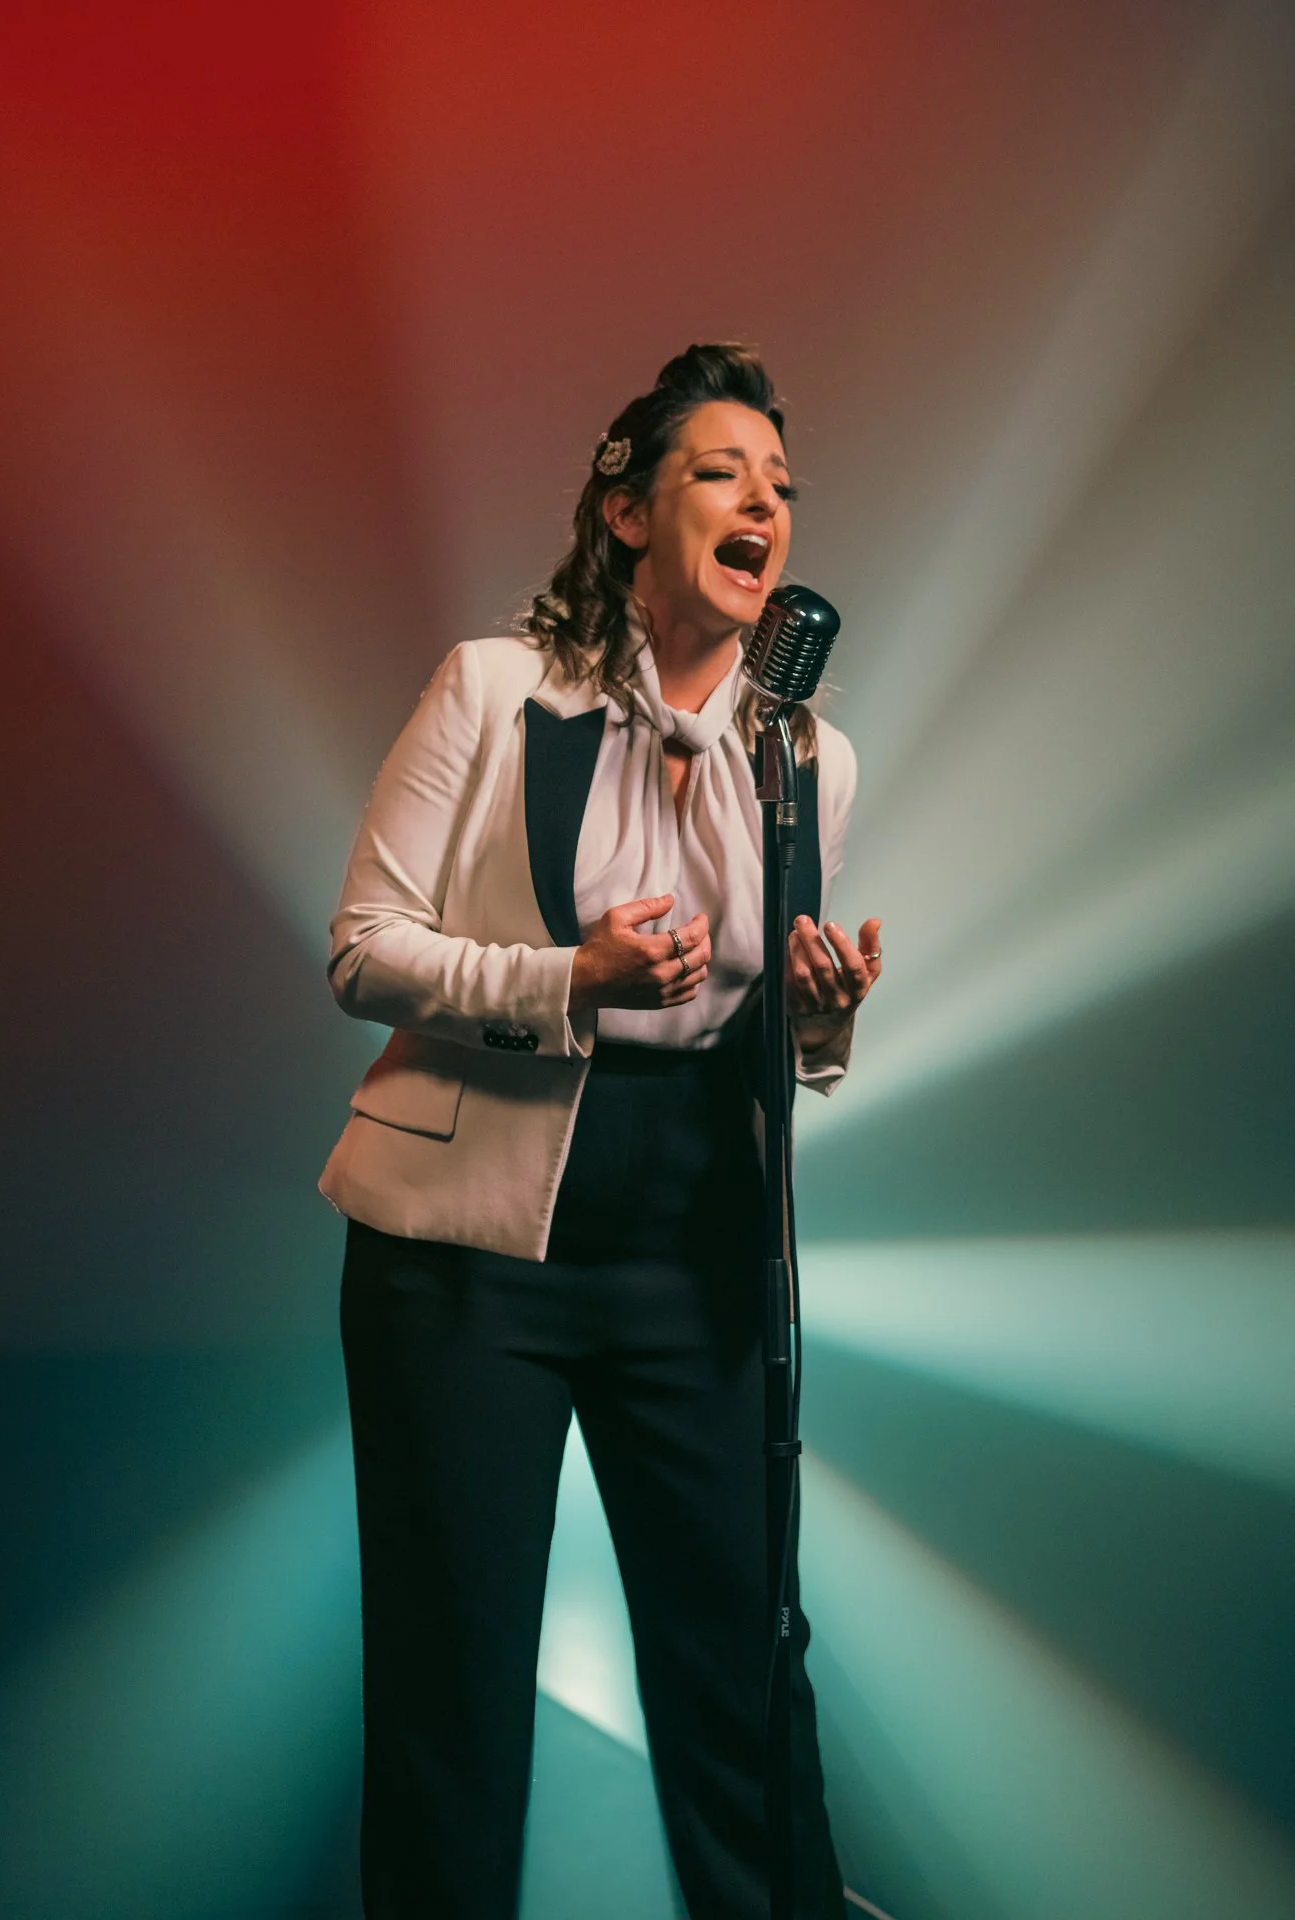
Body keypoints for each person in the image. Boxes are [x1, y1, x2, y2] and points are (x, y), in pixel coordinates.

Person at [320, 342, 882, 1920]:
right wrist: (569, 979)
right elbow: (365, 947)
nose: (763, 502)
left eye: (781, 485)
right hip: (463, 1261)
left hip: (691, 1249)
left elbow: (766, 1020)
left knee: (739, 1661)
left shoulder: (807, 760)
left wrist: (822, 1019)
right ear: (626, 510)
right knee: (453, 1676)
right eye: (722, 472)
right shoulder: (494, 690)